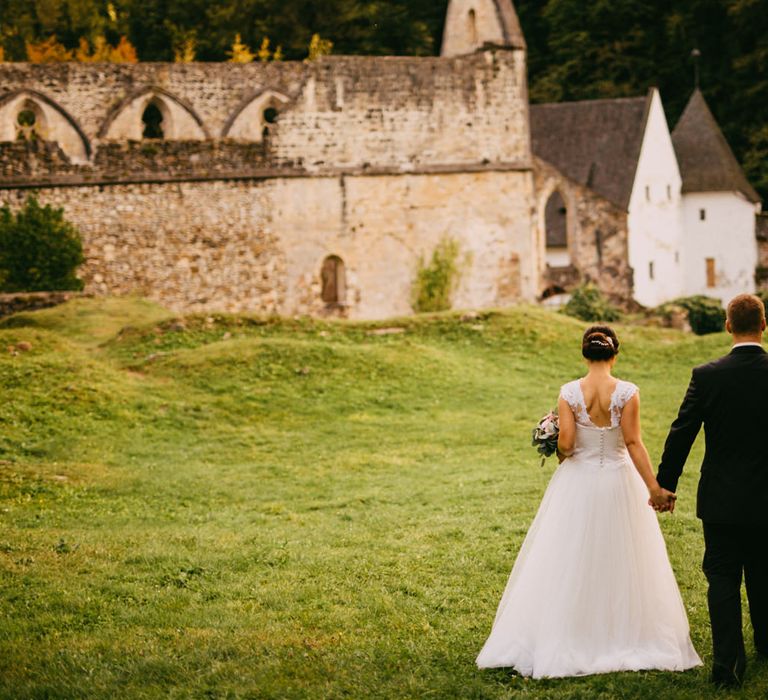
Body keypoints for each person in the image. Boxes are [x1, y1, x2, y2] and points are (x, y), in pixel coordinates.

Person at [476, 325, 701, 677]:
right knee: (625, 557)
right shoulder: (627, 392)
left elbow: (566, 445)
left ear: (584, 354)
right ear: (615, 354)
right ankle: (625, 633)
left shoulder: (569, 392)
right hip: (619, 481)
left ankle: (570, 631)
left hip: (577, 482)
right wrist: (654, 488)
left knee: (569, 556)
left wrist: (556, 441)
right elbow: (632, 443)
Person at [656, 293, 768, 688]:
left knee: (722, 578)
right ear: (764, 324)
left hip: (720, 498)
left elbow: (681, 433)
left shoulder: (707, 376)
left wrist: (664, 485)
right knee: (763, 573)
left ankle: (728, 668)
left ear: (727, 326)